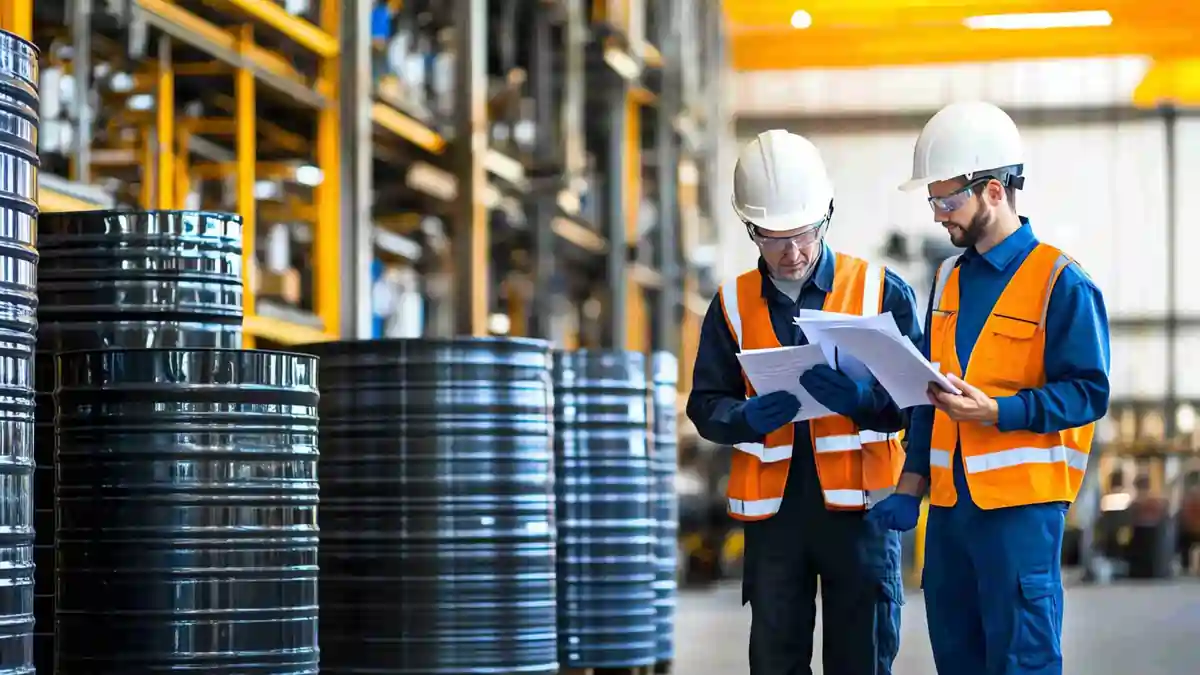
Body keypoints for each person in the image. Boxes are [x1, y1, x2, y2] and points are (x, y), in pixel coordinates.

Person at [868, 101, 1111, 675]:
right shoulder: (948, 278)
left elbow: (1087, 394)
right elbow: (930, 390)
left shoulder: (1061, 282)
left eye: (948, 200)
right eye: (934, 201)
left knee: (1020, 660)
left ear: (995, 192)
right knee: (957, 658)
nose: (937, 216)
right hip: (951, 517)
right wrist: (911, 483)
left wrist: (998, 411)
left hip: (1020, 515)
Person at [686, 129, 921, 675]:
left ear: (827, 216)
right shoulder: (732, 304)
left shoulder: (880, 290)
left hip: (861, 511)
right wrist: (740, 418)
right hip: (775, 519)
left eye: (804, 234)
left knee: (859, 657)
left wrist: (864, 400)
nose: (791, 252)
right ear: (750, 228)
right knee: (775, 659)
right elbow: (705, 403)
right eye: (773, 238)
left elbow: (918, 402)